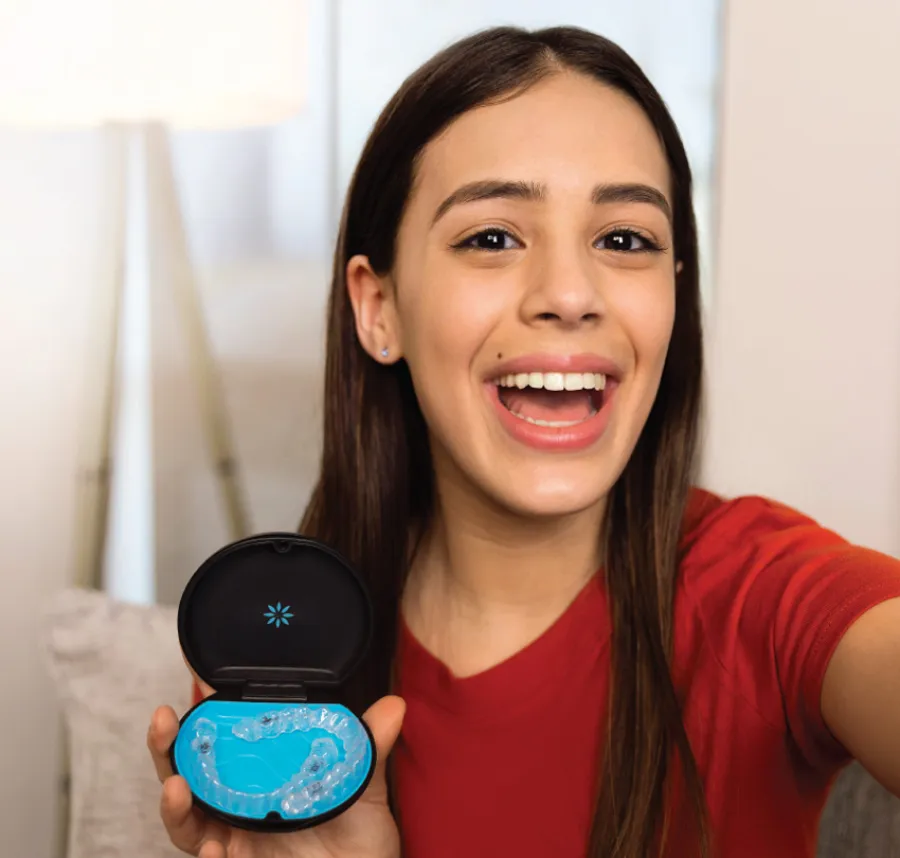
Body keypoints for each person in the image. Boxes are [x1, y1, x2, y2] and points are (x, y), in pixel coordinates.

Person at [146, 25, 900, 858]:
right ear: (378, 308)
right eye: (492, 238)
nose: (570, 294)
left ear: (675, 295)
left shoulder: (768, 593)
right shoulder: (293, 670)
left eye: (625, 240)